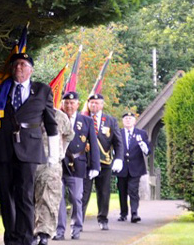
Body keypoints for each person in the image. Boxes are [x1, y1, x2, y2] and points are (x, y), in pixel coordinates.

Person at [0, 52, 60, 245]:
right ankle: (11, 238)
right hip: (2, 148)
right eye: (15, 65)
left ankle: (26, 238)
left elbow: (51, 124)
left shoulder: (43, 90)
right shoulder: (1, 89)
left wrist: (54, 154)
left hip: (29, 148)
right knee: (5, 195)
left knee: (25, 195)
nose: (18, 68)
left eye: (22, 64)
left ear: (31, 69)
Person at [55, 91, 100, 241]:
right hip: (58, 163)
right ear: (62, 103)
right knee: (58, 198)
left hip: (77, 164)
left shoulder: (86, 121)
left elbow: (93, 144)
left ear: (78, 104)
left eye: (72, 103)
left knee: (76, 197)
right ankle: (59, 230)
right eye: (66, 102)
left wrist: (95, 166)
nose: (69, 105)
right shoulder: (56, 118)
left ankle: (76, 227)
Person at [33, 101, 73, 245]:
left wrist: (59, 153)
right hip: (31, 162)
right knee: (29, 198)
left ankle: (44, 233)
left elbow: (68, 136)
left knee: (49, 198)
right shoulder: (30, 112)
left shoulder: (60, 116)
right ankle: (30, 231)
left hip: (51, 165)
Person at [81, 93, 118, 230]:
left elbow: (117, 142)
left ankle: (103, 219)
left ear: (102, 105)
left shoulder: (110, 121)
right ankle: (79, 220)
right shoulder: (82, 118)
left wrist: (119, 158)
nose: (94, 105)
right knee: (83, 192)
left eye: (97, 103)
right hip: (86, 161)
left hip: (104, 161)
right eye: (91, 103)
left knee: (103, 192)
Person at [113, 111, 150, 223]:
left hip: (136, 167)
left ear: (134, 121)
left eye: (130, 118)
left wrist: (143, 145)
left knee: (133, 190)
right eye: (126, 119)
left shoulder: (141, 133)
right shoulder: (118, 133)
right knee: (122, 191)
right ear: (123, 121)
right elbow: (114, 149)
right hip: (122, 167)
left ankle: (134, 213)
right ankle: (123, 213)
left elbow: (148, 151)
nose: (128, 120)